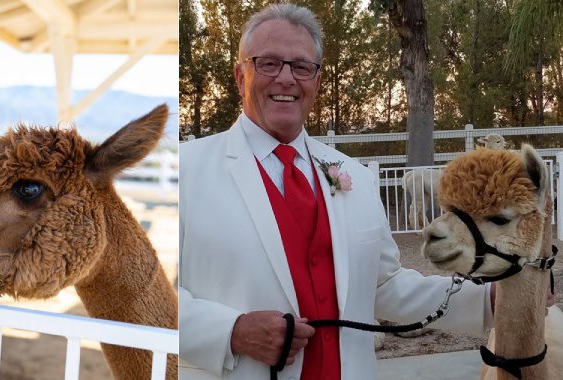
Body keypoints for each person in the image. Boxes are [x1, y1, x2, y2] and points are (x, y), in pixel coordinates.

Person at [179, 4, 494, 380]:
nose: (286, 78)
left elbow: (384, 286)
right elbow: (144, 295)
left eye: (301, 67)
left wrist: (488, 301)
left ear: (316, 80)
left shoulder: (354, 177)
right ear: (239, 75)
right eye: (268, 63)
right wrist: (229, 331)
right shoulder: (183, 170)